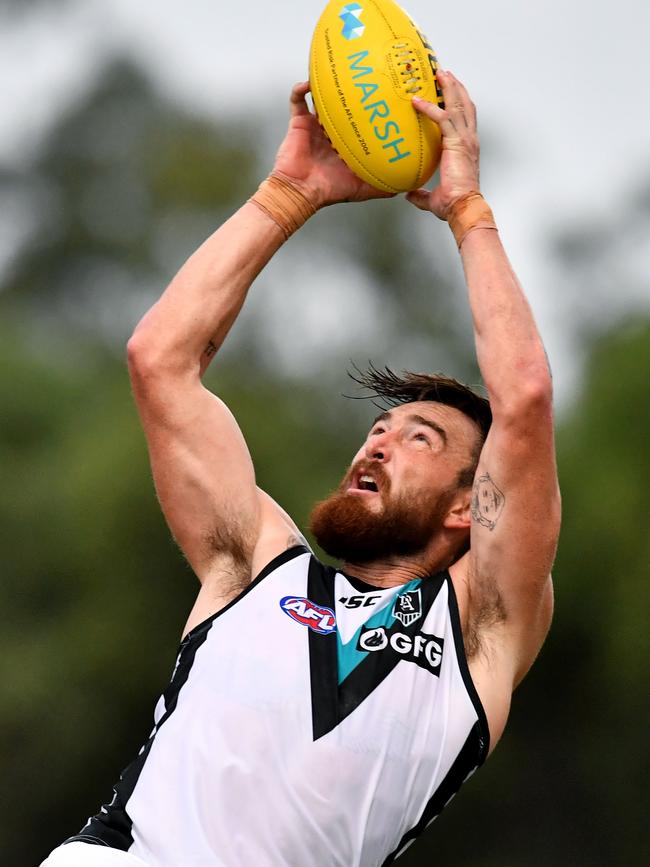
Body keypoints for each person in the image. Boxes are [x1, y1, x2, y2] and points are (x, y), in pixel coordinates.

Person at [41, 70, 561, 867]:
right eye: (377, 428)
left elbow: (522, 397)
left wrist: (465, 209)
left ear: (470, 506)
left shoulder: (479, 625)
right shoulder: (254, 562)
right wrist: (289, 193)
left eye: (419, 438)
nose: (375, 443)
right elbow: (161, 359)